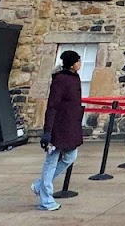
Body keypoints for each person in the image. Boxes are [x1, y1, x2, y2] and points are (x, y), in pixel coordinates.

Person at [31, 50, 85, 211]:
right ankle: (46, 200)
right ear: (72, 63)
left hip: (69, 125)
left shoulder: (73, 78)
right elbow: (52, 106)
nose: (80, 63)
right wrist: (48, 130)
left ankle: (40, 186)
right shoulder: (60, 80)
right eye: (78, 61)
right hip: (58, 126)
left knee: (70, 156)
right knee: (51, 162)